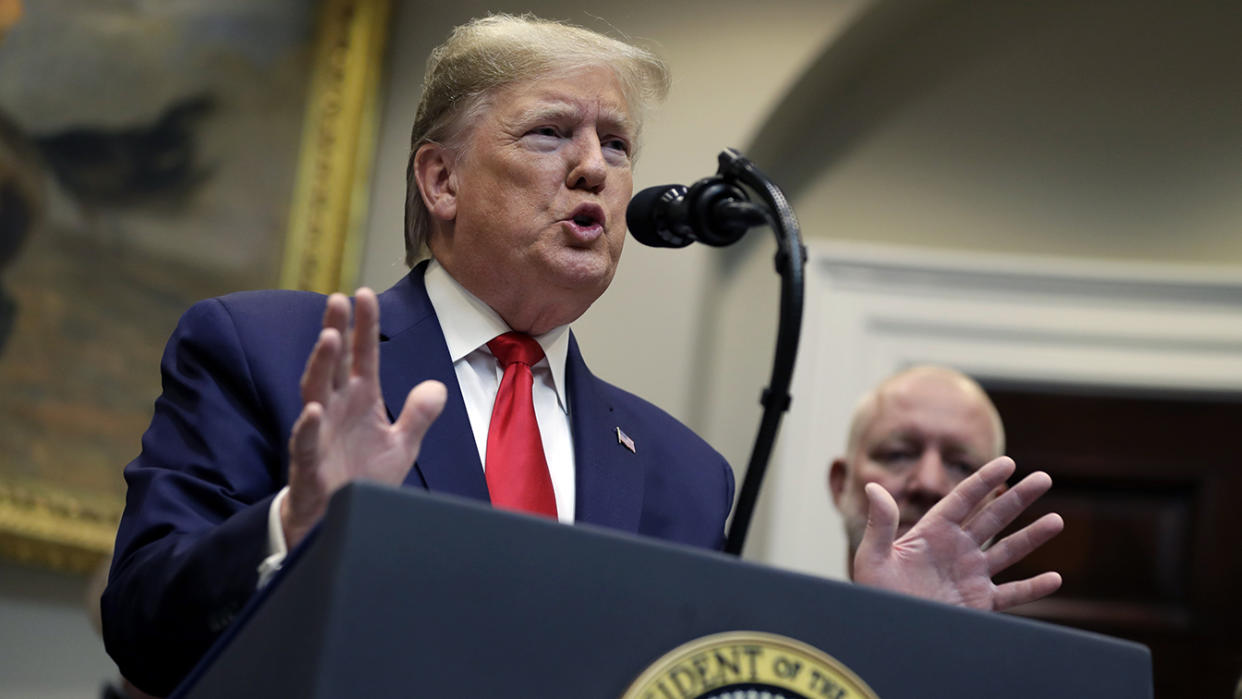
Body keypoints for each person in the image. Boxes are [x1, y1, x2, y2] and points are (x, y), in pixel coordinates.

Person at [102, 14, 1062, 697]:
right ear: (440, 177)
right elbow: (144, 628)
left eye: (616, 142)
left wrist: (888, 634)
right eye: (552, 132)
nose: (596, 167)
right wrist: (294, 523)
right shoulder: (269, 351)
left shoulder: (685, 473)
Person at [827, 365, 1057, 607]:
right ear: (841, 484)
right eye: (898, 454)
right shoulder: (784, 630)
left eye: (961, 466)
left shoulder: (1019, 647)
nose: (928, 483)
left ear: (995, 502)